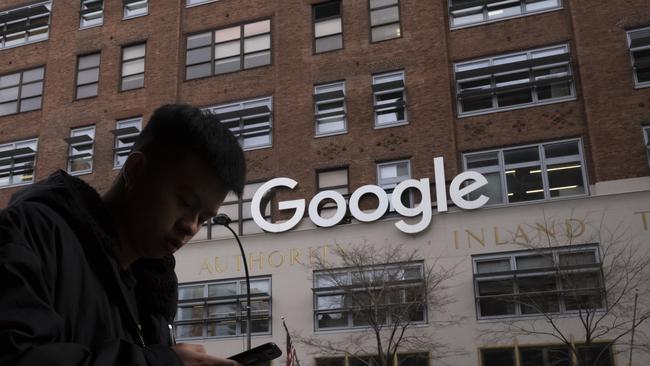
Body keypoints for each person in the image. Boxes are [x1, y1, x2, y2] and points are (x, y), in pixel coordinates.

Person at [0, 104, 246, 366]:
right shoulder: (29, 234)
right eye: (185, 202)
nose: (191, 227)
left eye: (204, 218)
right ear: (135, 170)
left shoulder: (152, 293)